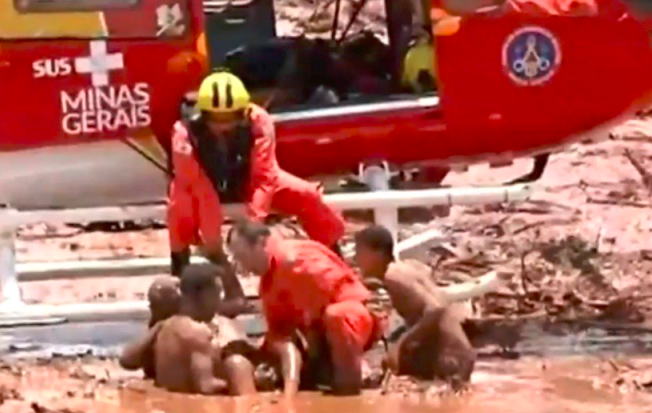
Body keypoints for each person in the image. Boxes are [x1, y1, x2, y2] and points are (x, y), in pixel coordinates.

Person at [181, 70, 346, 252]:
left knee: (308, 195)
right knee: (178, 203)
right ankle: (181, 260)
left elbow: (264, 177)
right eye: (216, 118)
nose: (223, 125)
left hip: (250, 183)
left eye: (230, 117)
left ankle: (332, 251)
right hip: (202, 185)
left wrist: (253, 225)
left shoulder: (259, 121)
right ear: (202, 114)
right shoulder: (186, 128)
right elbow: (188, 176)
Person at [227, 220, 383, 396]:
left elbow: (324, 310)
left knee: (337, 316)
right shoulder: (268, 284)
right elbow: (279, 334)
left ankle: (349, 387)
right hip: (319, 335)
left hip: (354, 323)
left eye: (242, 256)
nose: (242, 267)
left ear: (261, 242)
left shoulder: (294, 259)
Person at [353, 225, 475, 387]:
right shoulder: (410, 266)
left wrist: (402, 345)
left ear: (377, 254)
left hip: (448, 358)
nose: (355, 259)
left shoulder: (393, 278)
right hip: (459, 352)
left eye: (359, 252)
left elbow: (435, 309)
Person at [119, 264, 258, 395]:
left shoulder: (163, 329)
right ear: (203, 295)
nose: (220, 300)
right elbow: (206, 387)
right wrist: (241, 382)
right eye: (218, 292)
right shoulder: (198, 333)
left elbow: (128, 360)